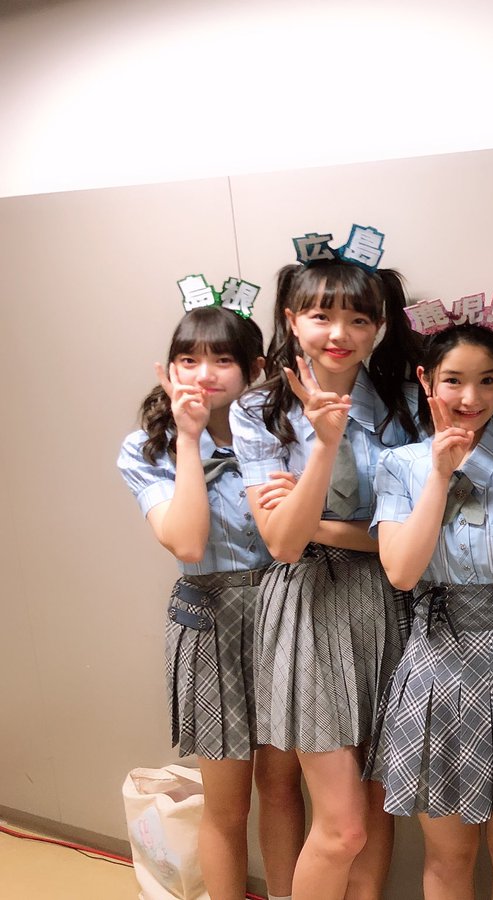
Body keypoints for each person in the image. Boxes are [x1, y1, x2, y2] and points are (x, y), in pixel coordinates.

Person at [231, 246, 421, 900]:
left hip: (389, 600)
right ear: (292, 318)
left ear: (379, 327)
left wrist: (311, 521)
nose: (339, 334)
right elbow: (282, 546)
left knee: (377, 804)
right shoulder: (259, 411)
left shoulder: (405, 407)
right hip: (307, 607)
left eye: (359, 320)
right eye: (320, 316)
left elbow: (407, 539)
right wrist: (324, 444)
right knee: (342, 828)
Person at [118, 303, 304, 900]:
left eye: (222, 359)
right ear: (169, 368)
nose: (204, 373)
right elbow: (188, 542)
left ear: (255, 369)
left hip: (284, 616)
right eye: (188, 359)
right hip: (208, 625)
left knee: (283, 788)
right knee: (226, 803)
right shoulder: (147, 449)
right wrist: (191, 440)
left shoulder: (283, 437)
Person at [371, 314, 493, 900]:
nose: (471, 398)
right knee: (449, 855)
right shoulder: (400, 465)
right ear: (426, 380)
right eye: (454, 380)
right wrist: (438, 476)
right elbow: (401, 572)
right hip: (435, 669)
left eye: (488, 380)